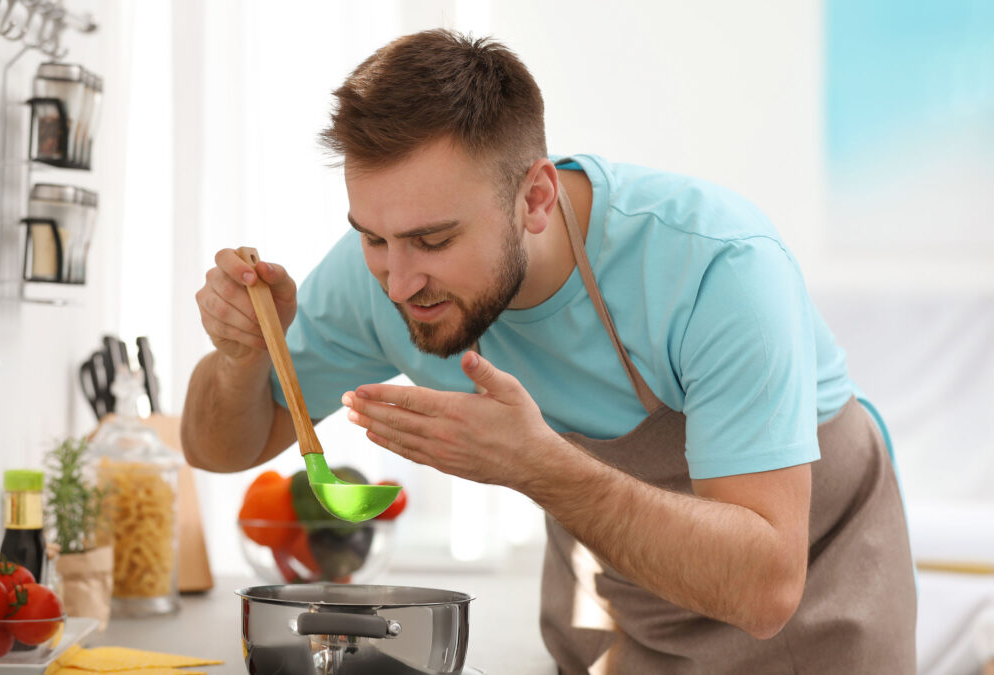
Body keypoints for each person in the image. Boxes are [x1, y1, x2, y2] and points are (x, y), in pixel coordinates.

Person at [181, 29, 916, 674]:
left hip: (810, 616)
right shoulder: (377, 274)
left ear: (534, 199)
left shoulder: (716, 268)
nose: (398, 280)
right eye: (374, 236)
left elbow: (764, 588)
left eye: (434, 240)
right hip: (619, 629)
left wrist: (536, 464)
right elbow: (217, 448)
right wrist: (242, 355)